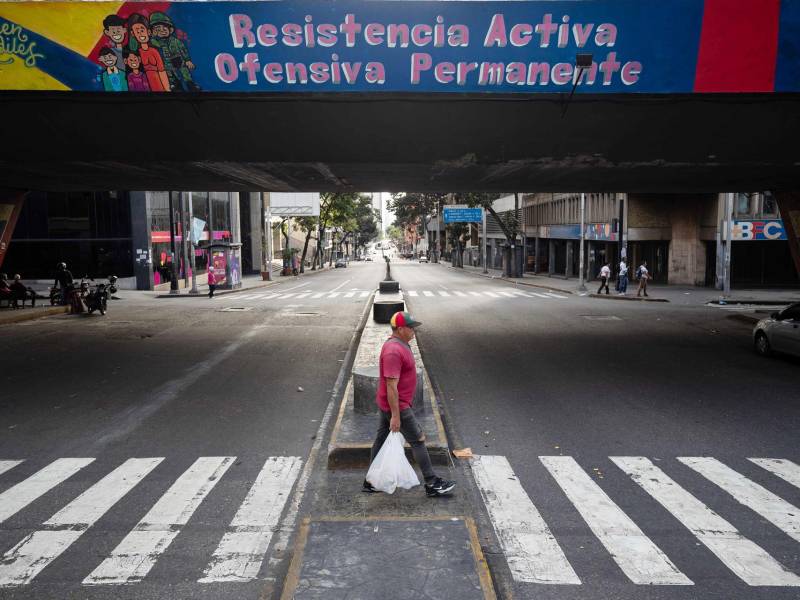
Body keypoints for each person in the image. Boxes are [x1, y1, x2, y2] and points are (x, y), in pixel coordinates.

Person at [364, 311, 456, 497]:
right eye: (410, 327)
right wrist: (396, 416)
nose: (414, 330)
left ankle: (370, 482)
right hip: (397, 405)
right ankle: (431, 482)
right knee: (418, 439)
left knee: (381, 440)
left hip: (391, 404)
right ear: (400, 329)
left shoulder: (401, 344)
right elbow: (391, 386)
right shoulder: (393, 351)